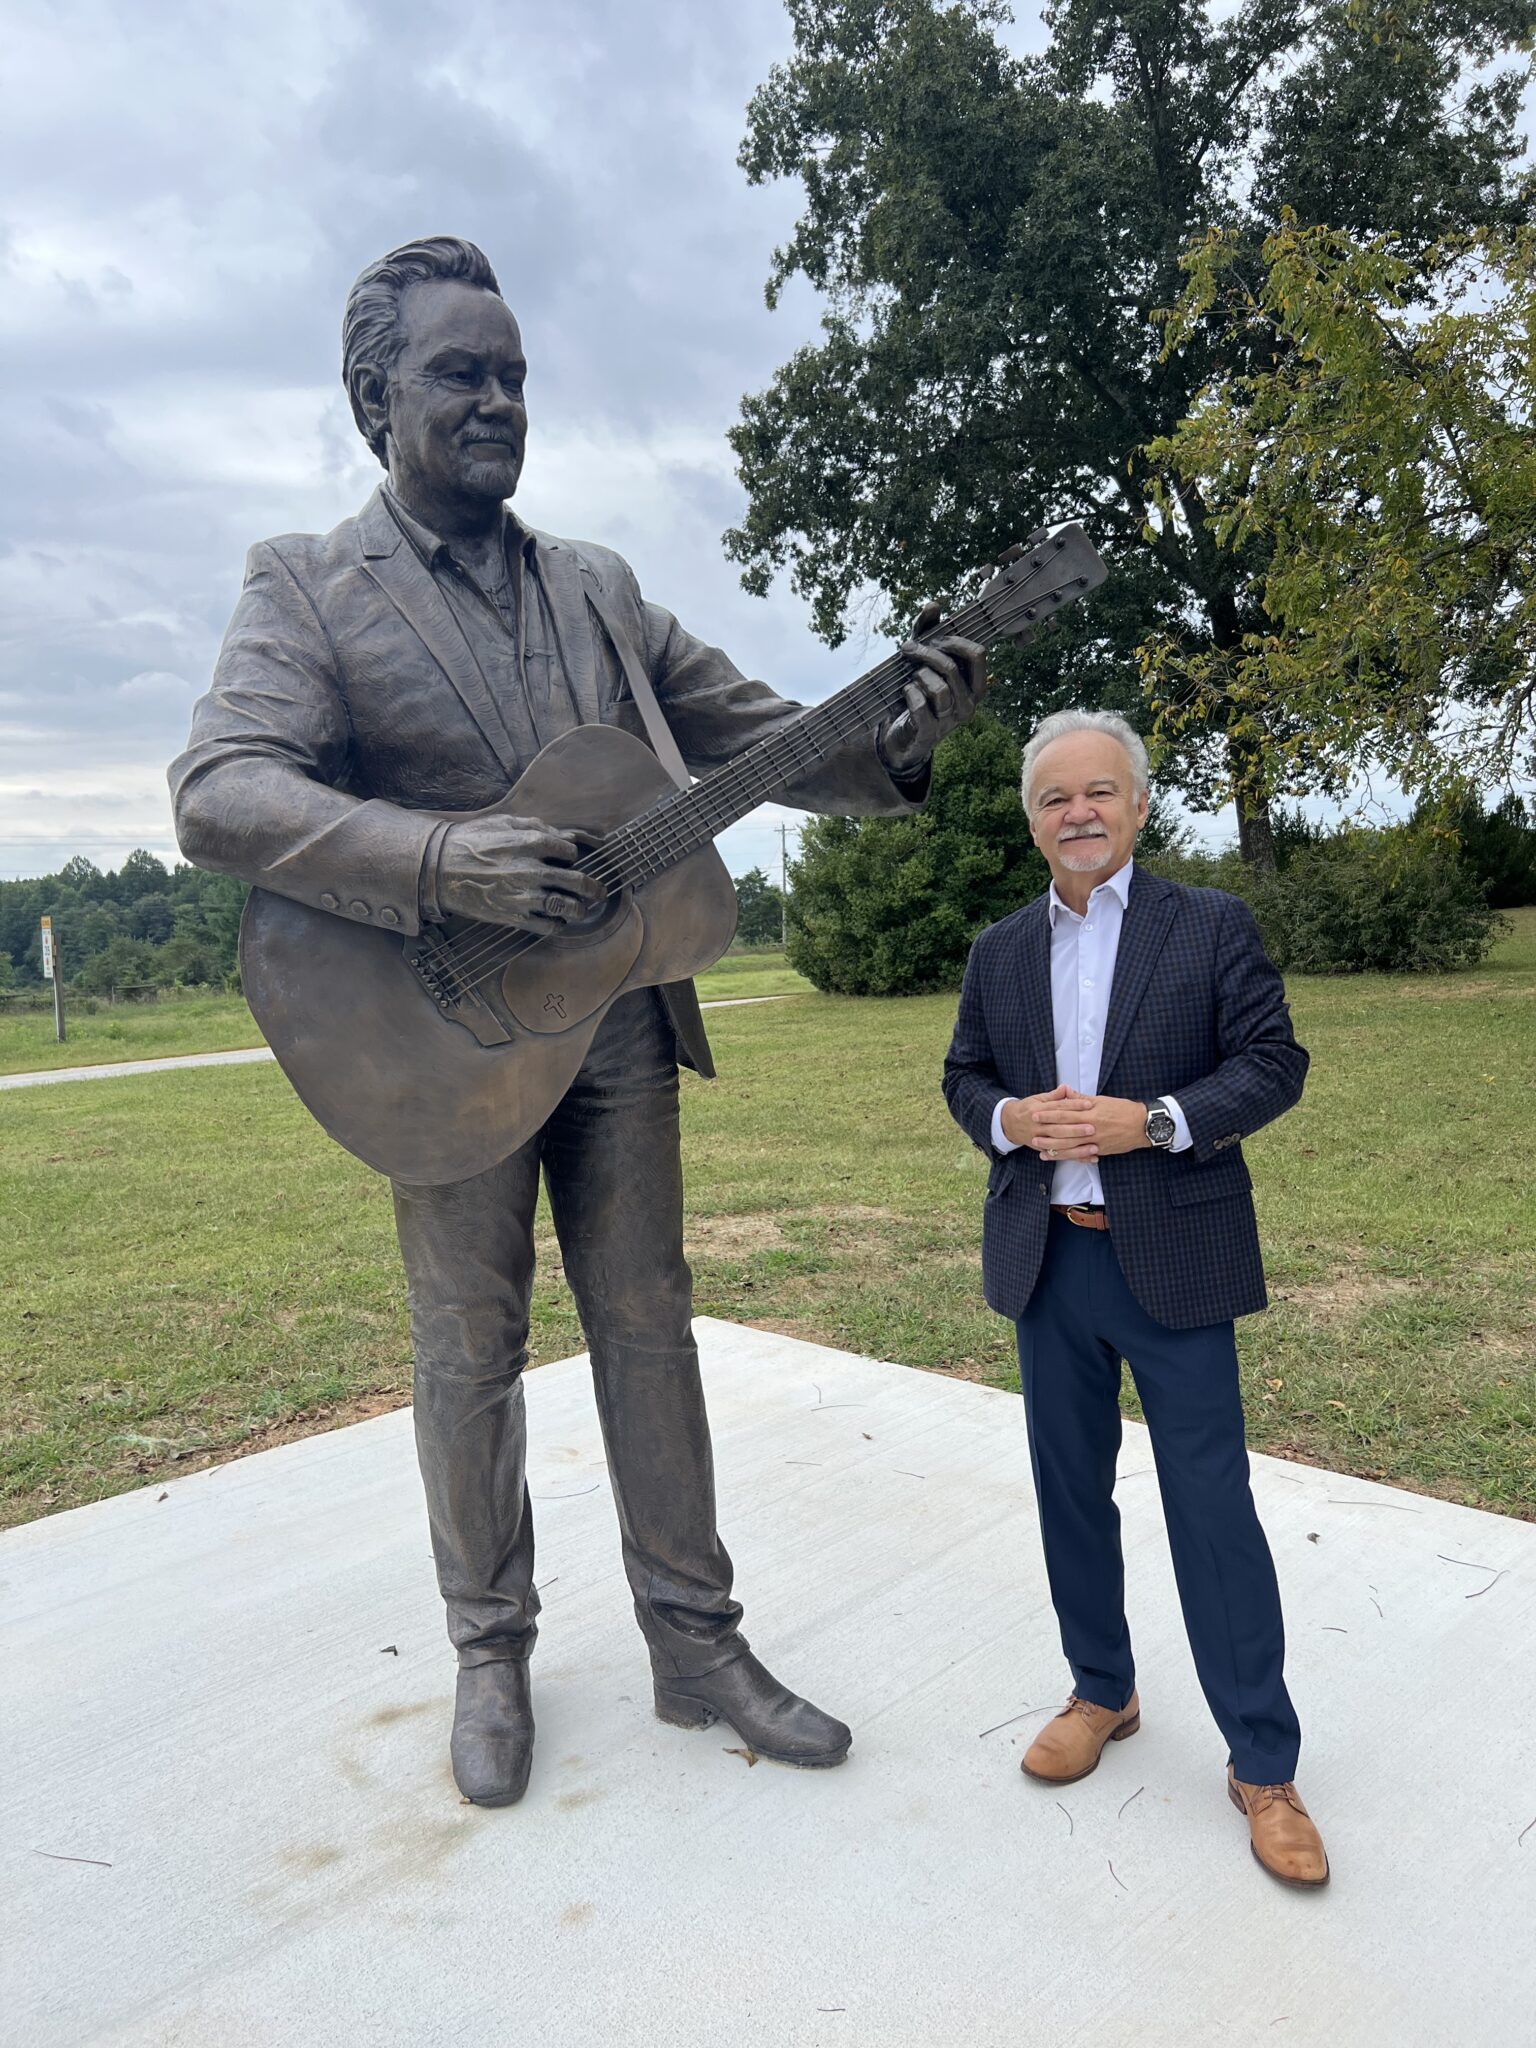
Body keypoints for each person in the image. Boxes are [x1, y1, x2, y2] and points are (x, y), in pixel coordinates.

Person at [170, 236, 985, 1806]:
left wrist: (892, 741)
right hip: (430, 1039)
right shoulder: (306, 583)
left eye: (515, 375)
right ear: (373, 395)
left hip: (613, 1025)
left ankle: (697, 1642)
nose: (498, 401)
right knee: (470, 1351)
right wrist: (433, 858)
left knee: (650, 1326)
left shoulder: (599, 588)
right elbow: (220, 792)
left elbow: (767, 738)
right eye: (461, 373)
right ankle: (490, 1651)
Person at [941, 709, 1328, 1888]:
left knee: (1211, 1508)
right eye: (1056, 798)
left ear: (1142, 805)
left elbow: (1273, 1062)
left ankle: (1263, 1761)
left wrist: (1151, 1121)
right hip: (1047, 1262)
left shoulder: (1208, 925)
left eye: (1100, 791)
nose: (1079, 813)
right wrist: (1012, 1121)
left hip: (1172, 1260)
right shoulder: (1002, 949)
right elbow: (965, 1075)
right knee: (1070, 1492)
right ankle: (1103, 1688)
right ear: (1032, 819)